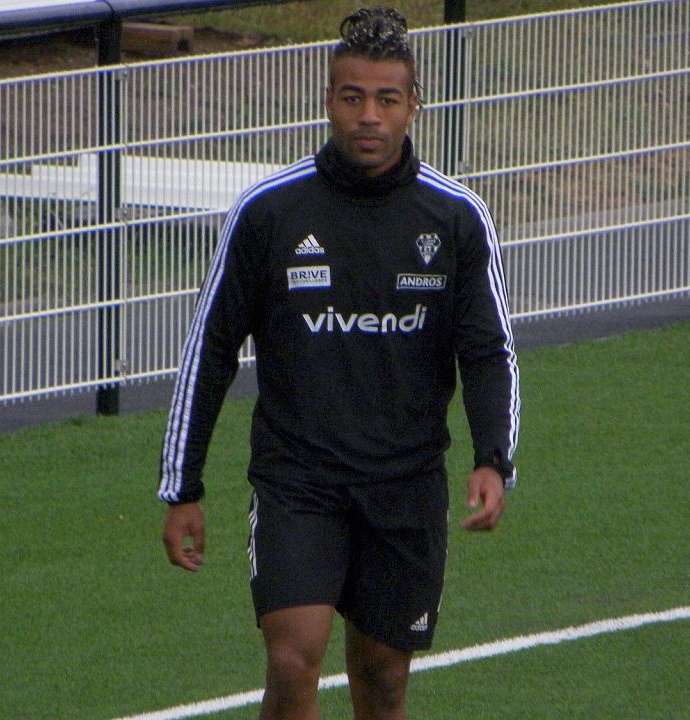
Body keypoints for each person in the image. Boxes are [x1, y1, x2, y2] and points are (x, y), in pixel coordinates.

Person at [157, 7, 520, 719]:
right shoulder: (270, 211)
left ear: (413, 106)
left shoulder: (455, 217)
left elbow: (487, 350)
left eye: (387, 99)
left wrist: (492, 459)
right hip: (299, 481)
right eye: (352, 97)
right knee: (293, 659)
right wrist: (182, 486)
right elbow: (211, 349)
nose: (369, 116)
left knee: (383, 681)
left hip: (405, 485)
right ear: (328, 100)